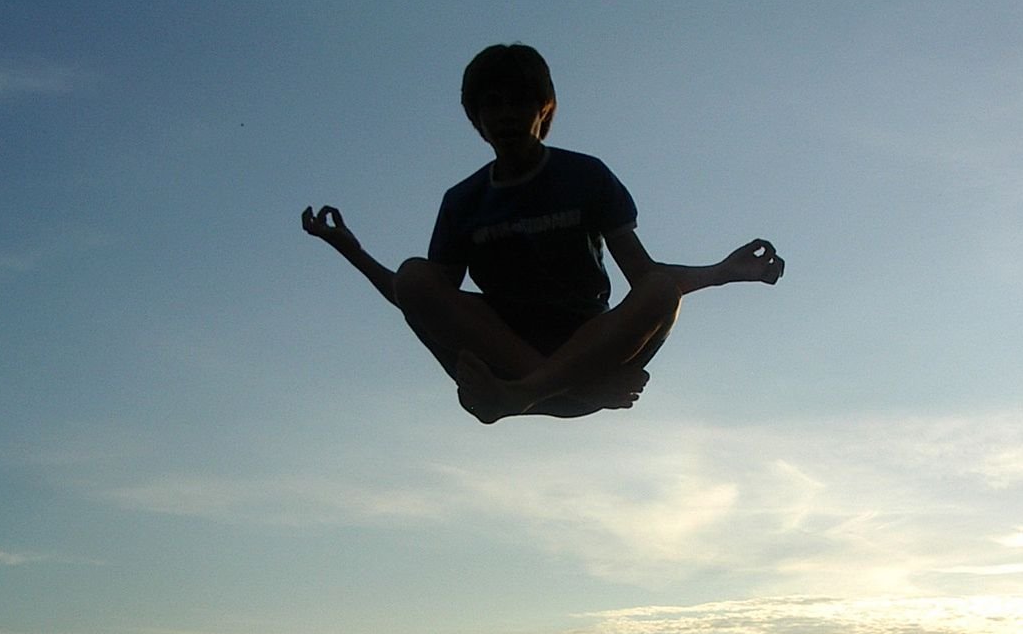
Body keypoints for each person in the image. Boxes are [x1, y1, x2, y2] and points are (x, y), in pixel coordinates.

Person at [302, 43, 783, 423]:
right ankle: (543, 387)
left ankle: (532, 392)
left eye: (518, 101)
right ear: (476, 119)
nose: (506, 114)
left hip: (589, 352)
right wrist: (352, 251)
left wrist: (724, 272)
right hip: (505, 360)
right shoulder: (463, 201)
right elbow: (423, 301)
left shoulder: (586, 177)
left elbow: (644, 274)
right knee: (414, 275)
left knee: (660, 290)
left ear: (543, 109)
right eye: (492, 104)